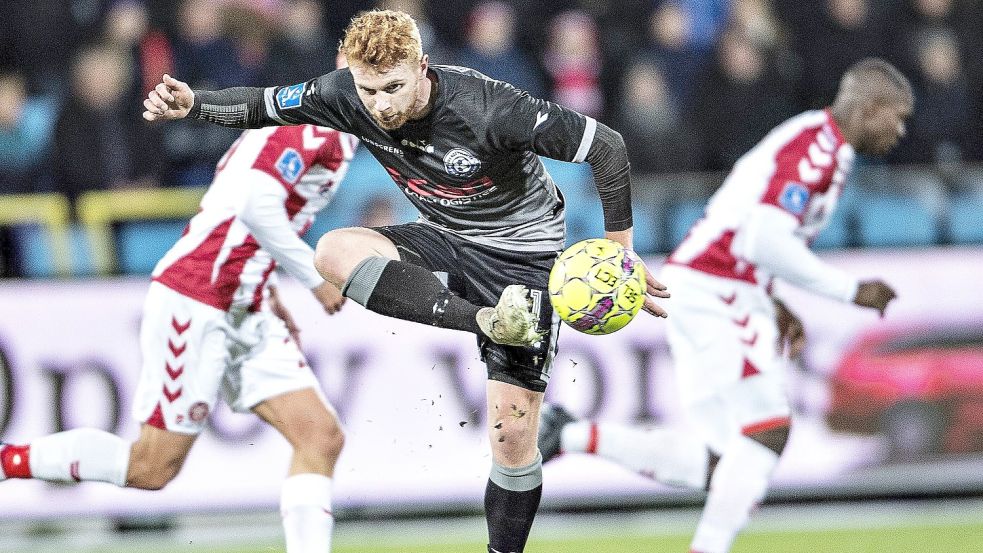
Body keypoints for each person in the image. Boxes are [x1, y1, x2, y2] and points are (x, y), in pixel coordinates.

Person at [139, 9, 669, 553]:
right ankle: (483, 321)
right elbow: (262, 105)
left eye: (393, 87)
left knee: (512, 438)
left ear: (422, 67)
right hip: (442, 233)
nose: (382, 104)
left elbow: (607, 146)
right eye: (370, 91)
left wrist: (620, 253)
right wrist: (194, 105)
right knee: (334, 250)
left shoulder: (488, 108)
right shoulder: (344, 95)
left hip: (523, 259)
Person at [538, 58, 913, 553]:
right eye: (898, 116)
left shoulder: (821, 145)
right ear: (870, 108)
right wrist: (850, 290)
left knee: (723, 461)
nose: (901, 131)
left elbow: (750, 224)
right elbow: (761, 238)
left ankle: (570, 435)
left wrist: (773, 298)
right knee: (768, 429)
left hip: (709, 284)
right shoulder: (818, 150)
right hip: (716, 286)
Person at [1, 115, 359, 553]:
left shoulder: (302, 121)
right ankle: (7, 459)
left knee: (320, 436)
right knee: (150, 467)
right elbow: (253, 204)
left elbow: (231, 204)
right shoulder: (314, 128)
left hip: (245, 301)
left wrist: (263, 283)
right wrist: (313, 278)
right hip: (199, 298)